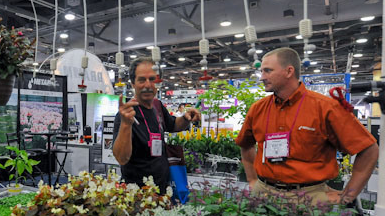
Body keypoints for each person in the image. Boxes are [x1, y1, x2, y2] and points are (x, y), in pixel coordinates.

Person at [236, 47, 378, 205]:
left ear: (289, 71)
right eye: (262, 71)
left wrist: (348, 195)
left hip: (309, 198)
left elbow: (369, 149)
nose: (262, 77)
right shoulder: (258, 109)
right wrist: (252, 180)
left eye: (268, 71)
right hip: (263, 194)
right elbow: (245, 144)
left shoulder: (325, 107)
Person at [113, 57, 201, 192]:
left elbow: (173, 125)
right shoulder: (126, 115)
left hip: (161, 190)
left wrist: (186, 118)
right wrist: (126, 124)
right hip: (137, 195)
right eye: (142, 80)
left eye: (152, 79)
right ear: (133, 83)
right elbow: (121, 158)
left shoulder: (157, 106)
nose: (148, 85)